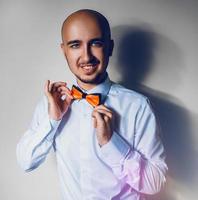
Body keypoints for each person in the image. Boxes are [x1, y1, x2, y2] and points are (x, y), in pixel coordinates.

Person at [16, 9, 167, 200]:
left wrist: (111, 141)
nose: (87, 56)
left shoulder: (137, 106)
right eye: (75, 45)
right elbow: (25, 162)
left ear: (110, 47)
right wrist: (52, 120)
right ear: (64, 51)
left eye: (96, 43)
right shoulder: (51, 105)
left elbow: (155, 183)